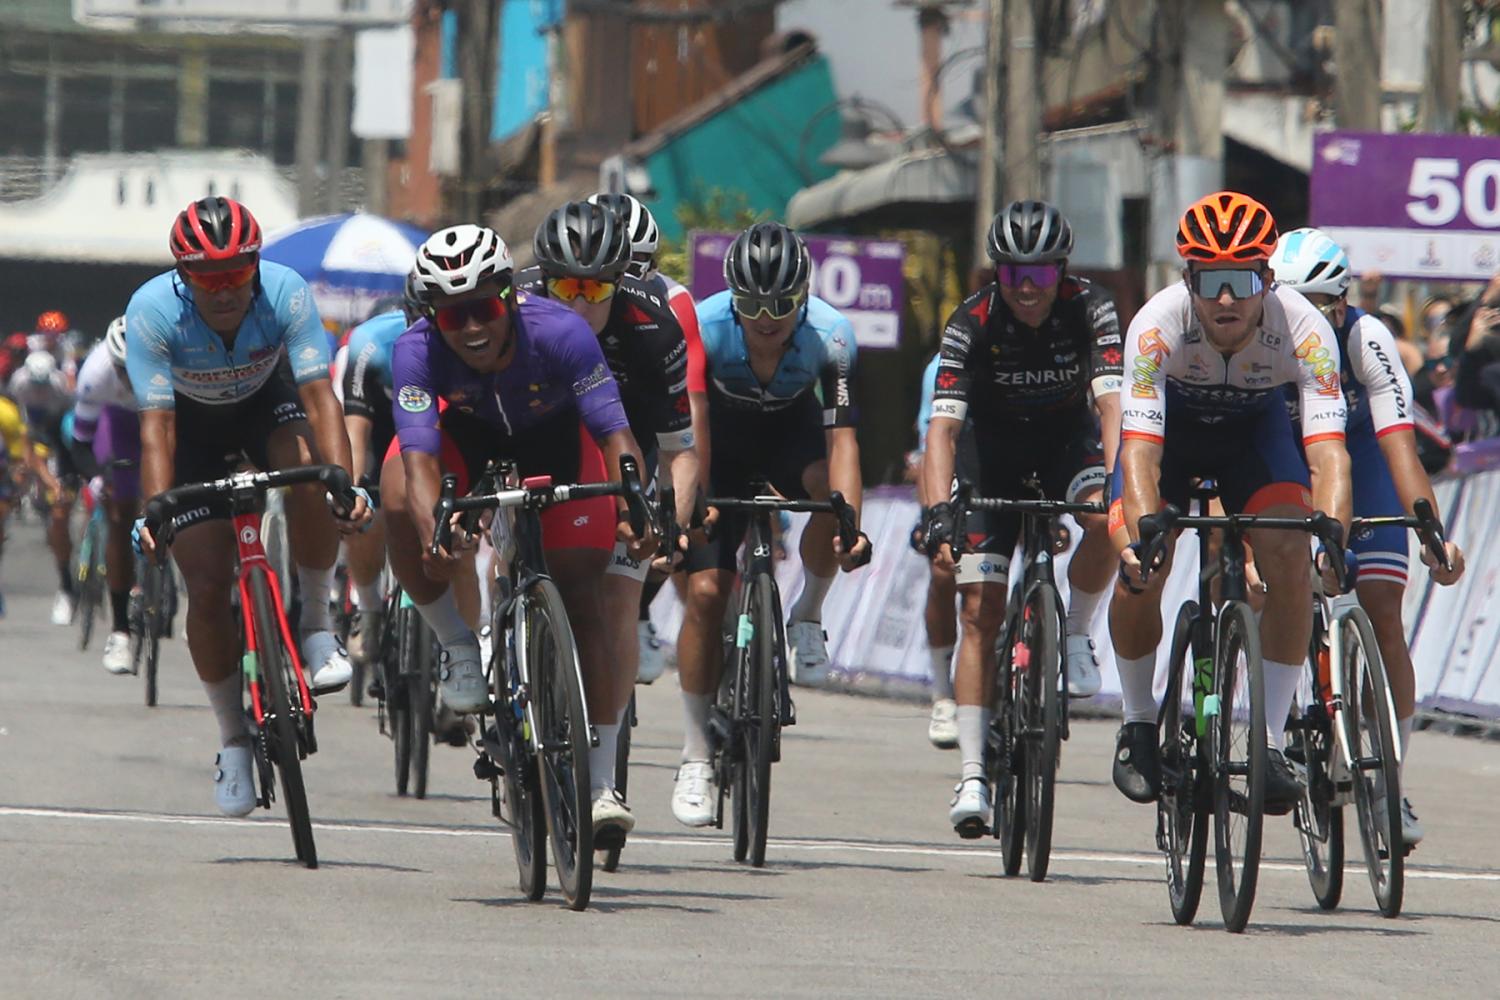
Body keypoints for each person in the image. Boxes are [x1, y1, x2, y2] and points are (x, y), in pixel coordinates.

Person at [382, 223, 654, 845]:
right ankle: (458, 645)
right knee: (395, 490)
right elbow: (421, 461)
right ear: (432, 318)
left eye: (483, 308)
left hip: (554, 437)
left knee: (583, 593)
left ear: (509, 295)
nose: (471, 328)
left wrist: (635, 508)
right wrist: (435, 531)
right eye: (453, 317)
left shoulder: (561, 330)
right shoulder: (414, 351)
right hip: (467, 438)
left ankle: (600, 782)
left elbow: (614, 434)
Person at [127, 196, 371, 818]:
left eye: (236, 272)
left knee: (311, 473)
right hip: (190, 432)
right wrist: (155, 511)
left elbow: (319, 396)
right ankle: (233, 739)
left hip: (267, 408)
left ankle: (315, 624)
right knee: (207, 588)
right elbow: (157, 430)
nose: (224, 289)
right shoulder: (152, 311)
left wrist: (344, 482)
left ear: (256, 266)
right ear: (183, 275)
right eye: (207, 277)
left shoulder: (285, 291)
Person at [1110, 191, 1351, 817]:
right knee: (1140, 565)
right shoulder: (1156, 324)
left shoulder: (1305, 328)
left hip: (1253, 440)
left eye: (1241, 281)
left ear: (1267, 279)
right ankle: (1138, 722)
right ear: (1187, 279)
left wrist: (1333, 536)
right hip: (1172, 441)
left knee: (1290, 556)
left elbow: (1329, 455)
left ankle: (1267, 740)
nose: (1225, 299)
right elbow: (1139, 454)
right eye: (1209, 280)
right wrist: (1145, 532)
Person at [920, 200, 1123, 835]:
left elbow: (1113, 408)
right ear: (996, 274)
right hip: (992, 457)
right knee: (979, 610)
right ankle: (973, 773)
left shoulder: (1092, 307)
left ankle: (1076, 633)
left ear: (1062, 271)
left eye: (1039, 273)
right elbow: (942, 431)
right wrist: (937, 513)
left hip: (1069, 444)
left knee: (1105, 519)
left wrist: (1123, 487)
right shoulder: (970, 321)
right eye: (1013, 274)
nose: (1027, 288)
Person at [671, 221, 872, 828]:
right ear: (732, 297)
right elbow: (692, 422)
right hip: (720, 442)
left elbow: (842, 440)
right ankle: (695, 756)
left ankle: (807, 613)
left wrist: (850, 525)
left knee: (831, 500)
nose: (765, 319)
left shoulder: (832, 334)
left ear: (803, 297)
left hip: (793, 436)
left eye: (780, 305)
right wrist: (698, 499)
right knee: (706, 593)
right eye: (752, 304)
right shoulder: (705, 325)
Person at [1269, 228, 1466, 844]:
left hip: (1359, 458)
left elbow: (1400, 448)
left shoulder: (1366, 338)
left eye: (1320, 305)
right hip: (1286, 459)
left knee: (1384, 614)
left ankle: (1390, 783)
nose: (1306, 319)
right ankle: (1284, 721)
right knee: (1272, 584)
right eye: (1291, 305)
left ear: (1342, 302)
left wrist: (1432, 534)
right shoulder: (1259, 342)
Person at [526, 201, 701, 738]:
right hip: (538, 437)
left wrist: (671, 524)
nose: (579, 304)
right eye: (566, 288)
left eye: (595, 290)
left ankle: (601, 756)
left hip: (627, 447)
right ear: (545, 282)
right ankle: (504, 645)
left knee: (620, 598)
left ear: (619, 284)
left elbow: (680, 451)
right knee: (516, 549)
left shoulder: (656, 329)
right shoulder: (516, 307)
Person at [588, 190, 711, 683]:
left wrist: (684, 503)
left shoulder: (672, 304)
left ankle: (638, 612)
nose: (622, 280)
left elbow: (690, 411)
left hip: (642, 416)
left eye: (636, 267)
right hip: (573, 417)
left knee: (662, 519)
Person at [340, 278, 422, 669]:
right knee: (364, 514)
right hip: (378, 425)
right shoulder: (369, 343)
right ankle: (369, 608)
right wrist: (352, 489)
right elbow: (355, 431)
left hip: (429, 425)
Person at [70, 316, 142, 674]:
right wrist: (98, 479)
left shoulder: (175, 360)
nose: (129, 378)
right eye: (122, 369)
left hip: (164, 411)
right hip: (119, 423)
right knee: (119, 512)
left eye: (136, 368)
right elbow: (80, 443)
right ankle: (120, 631)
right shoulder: (96, 373)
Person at [911, 352, 965, 749]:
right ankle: (944, 692)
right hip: (958, 462)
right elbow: (930, 453)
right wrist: (932, 517)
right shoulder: (942, 367)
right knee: (944, 570)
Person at [8, 349, 77, 625]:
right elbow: (23, 433)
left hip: (62, 434)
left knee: (61, 512)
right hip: (33, 431)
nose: (38, 389)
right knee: (25, 466)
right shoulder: (19, 382)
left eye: (43, 385)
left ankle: (70, 586)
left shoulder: (60, 387)